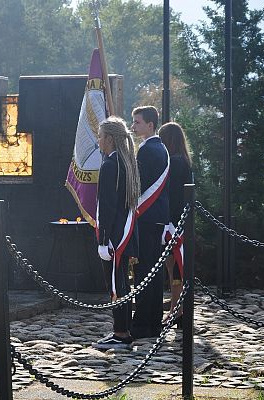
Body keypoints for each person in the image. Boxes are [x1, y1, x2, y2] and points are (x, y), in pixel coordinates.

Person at [93, 117, 140, 349]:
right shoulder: (125, 162)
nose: (98, 140)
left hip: (114, 237)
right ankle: (123, 329)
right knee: (122, 284)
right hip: (125, 231)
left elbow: (107, 207)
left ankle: (120, 333)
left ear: (110, 139)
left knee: (116, 285)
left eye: (101, 136)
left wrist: (103, 239)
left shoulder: (110, 165)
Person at [130, 106, 170, 339]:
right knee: (153, 273)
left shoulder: (147, 151)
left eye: (137, 122)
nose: (133, 126)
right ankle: (152, 322)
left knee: (144, 271)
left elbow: (139, 186)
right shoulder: (159, 148)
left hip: (146, 219)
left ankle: (143, 324)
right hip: (156, 218)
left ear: (150, 125)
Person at [158, 122, 193, 327]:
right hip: (181, 220)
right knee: (176, 269)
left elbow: (170, 195)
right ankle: (177, 308)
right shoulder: (184, 161)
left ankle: (176, 310)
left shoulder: (175, 162)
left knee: (175, 269)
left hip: (174, 222)